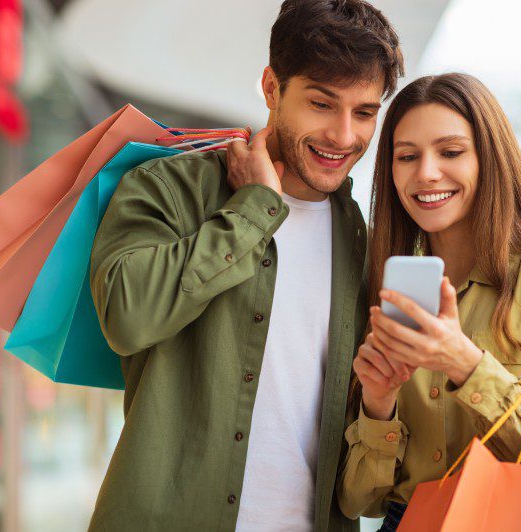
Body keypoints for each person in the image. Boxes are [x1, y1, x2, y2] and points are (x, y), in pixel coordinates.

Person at [87, 1, 404, 530]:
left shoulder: (361, 241)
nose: (344, 136)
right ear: (272, 87)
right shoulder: (169, 188)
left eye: (365, 112)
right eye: (322, 104)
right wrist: (253, 211)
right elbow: (127, 315)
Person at [337, 73, 521, 531]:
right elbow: (359, 501)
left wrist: (466, 364)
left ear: (490, 160)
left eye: (451, 152)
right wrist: (379, 405)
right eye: (407, 156)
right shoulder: (386, 290)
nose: (426, 172)